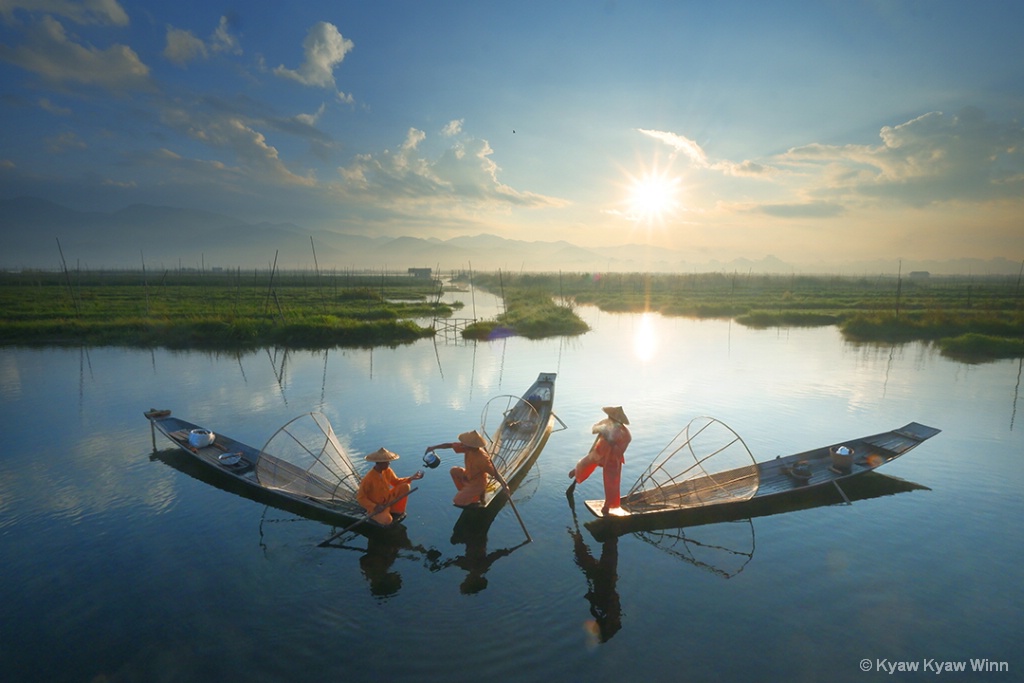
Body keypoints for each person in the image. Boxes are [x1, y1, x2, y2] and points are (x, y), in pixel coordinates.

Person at [568, 406, 631, 516]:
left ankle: (608, 506)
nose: (609, 418)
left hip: (612, 459)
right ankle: (577, 472)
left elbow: (620, 449)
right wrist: (601, 429)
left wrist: (611, 441)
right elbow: (594, 429)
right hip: (599, 452)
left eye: (612, 417)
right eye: (610, 416)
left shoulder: (624, 433)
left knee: (612, 482)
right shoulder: (606, 423)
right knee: (584, 463)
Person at [425, 430, 497, 507]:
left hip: (478, 482)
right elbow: (449, 445)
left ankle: (476, 498)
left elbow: (495, 474)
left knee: (457, 501)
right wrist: (434, 447)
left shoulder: (482, 459)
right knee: (454, 471)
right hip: (468, 475)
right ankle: (467, 492)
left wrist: (504, 486)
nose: (462, 445)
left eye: (465, 444)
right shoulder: (467, 448)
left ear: (471, 446)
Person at [356, 447, 423, 525]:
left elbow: (396, 482)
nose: (389, 463)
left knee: (405, 486)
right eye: (387, 462)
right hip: (377, 507)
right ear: (380, 463)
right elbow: (361, 498)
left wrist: (411, 478)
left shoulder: (387, 471)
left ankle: (396, 510)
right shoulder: (368, 479)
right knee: (387, 520)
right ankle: (375, 515)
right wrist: (375, 506)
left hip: (388, 500)